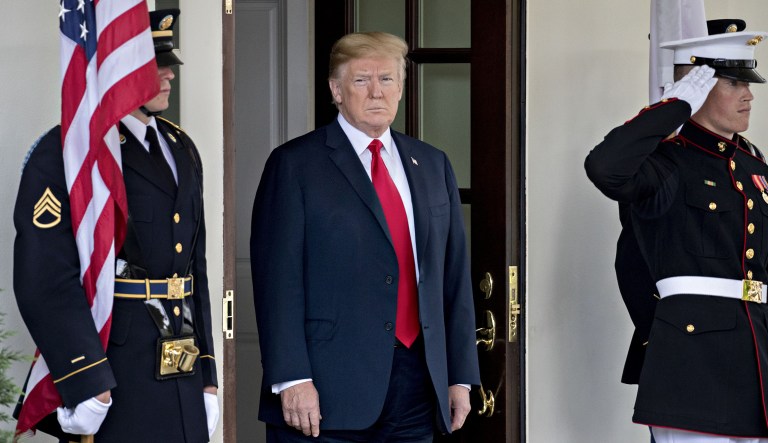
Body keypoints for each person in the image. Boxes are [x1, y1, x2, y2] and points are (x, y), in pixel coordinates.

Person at [250, 31, 480, 441]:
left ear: (402, 89)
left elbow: (453, 277)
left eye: (388, 79)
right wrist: (292, 379)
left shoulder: (431, 164)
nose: (377, 92)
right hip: (325, 389)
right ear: (336, 90)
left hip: (418, 387)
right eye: (361, 80)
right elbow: (277, 282)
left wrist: (460, 375)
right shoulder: (295, 165)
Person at [12, 9, 218, 442]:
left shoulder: (180, 147)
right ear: (119, 69)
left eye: (169, 64)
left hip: (180, 363)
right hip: (114, 368)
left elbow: (192, 269)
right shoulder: (69, 153)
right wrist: (86, 380)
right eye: (153, 65)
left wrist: (208, 372)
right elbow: (45, 276)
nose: (168, 75)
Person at [585, 26, 768, 441]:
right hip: (693, 368)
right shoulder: (665, 163)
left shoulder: (753, 167)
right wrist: (675, 107)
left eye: (748, 83)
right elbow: (604, 167)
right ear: (697, 87)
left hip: (756, 361)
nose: (749, 95)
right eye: (733, 82)